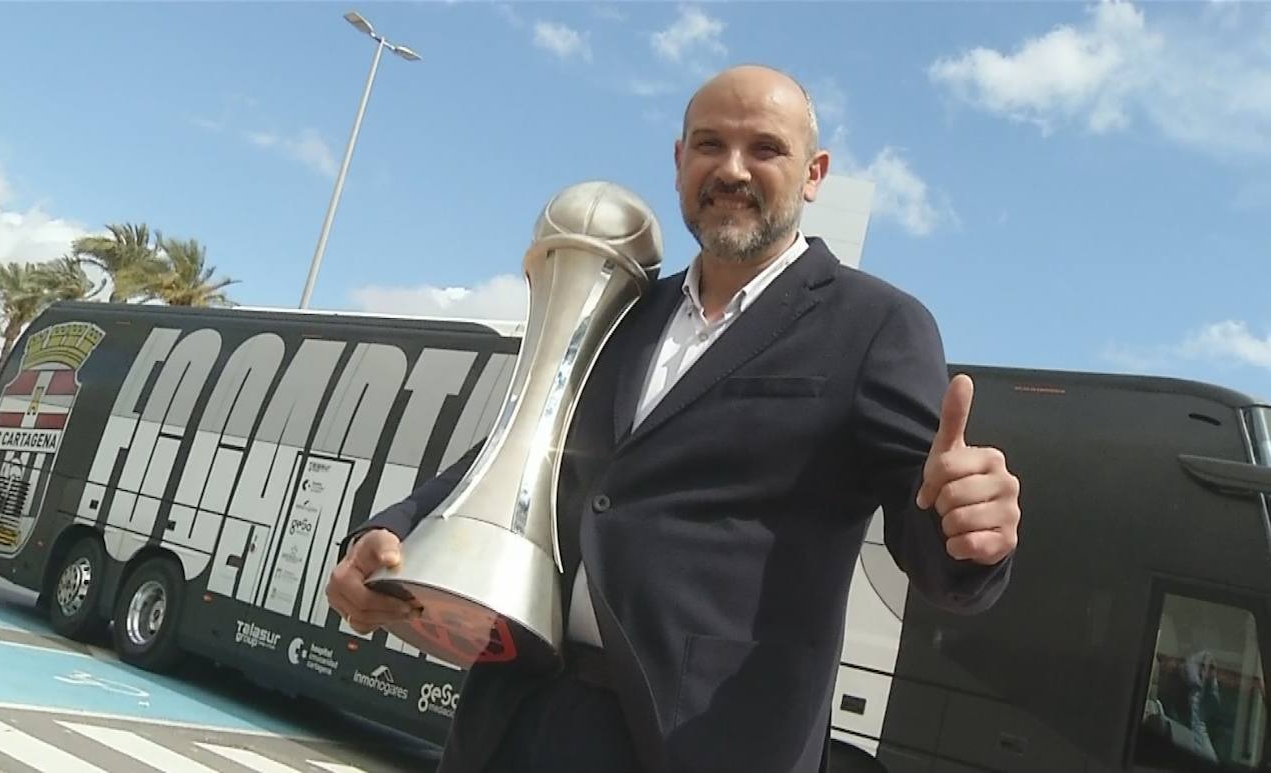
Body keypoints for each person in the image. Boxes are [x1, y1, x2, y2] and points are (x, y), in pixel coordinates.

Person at [326, 64, 1021, 773]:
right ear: (679, 159)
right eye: (710, 145)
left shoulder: (876, 324)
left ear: (814, 175)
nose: (733, 169)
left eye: (766, 150)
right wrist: (394, 529)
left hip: (701, 742)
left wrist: (966, 528)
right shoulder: (620, 309)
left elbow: (927, 517)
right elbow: (522, 437)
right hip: (515, 720)